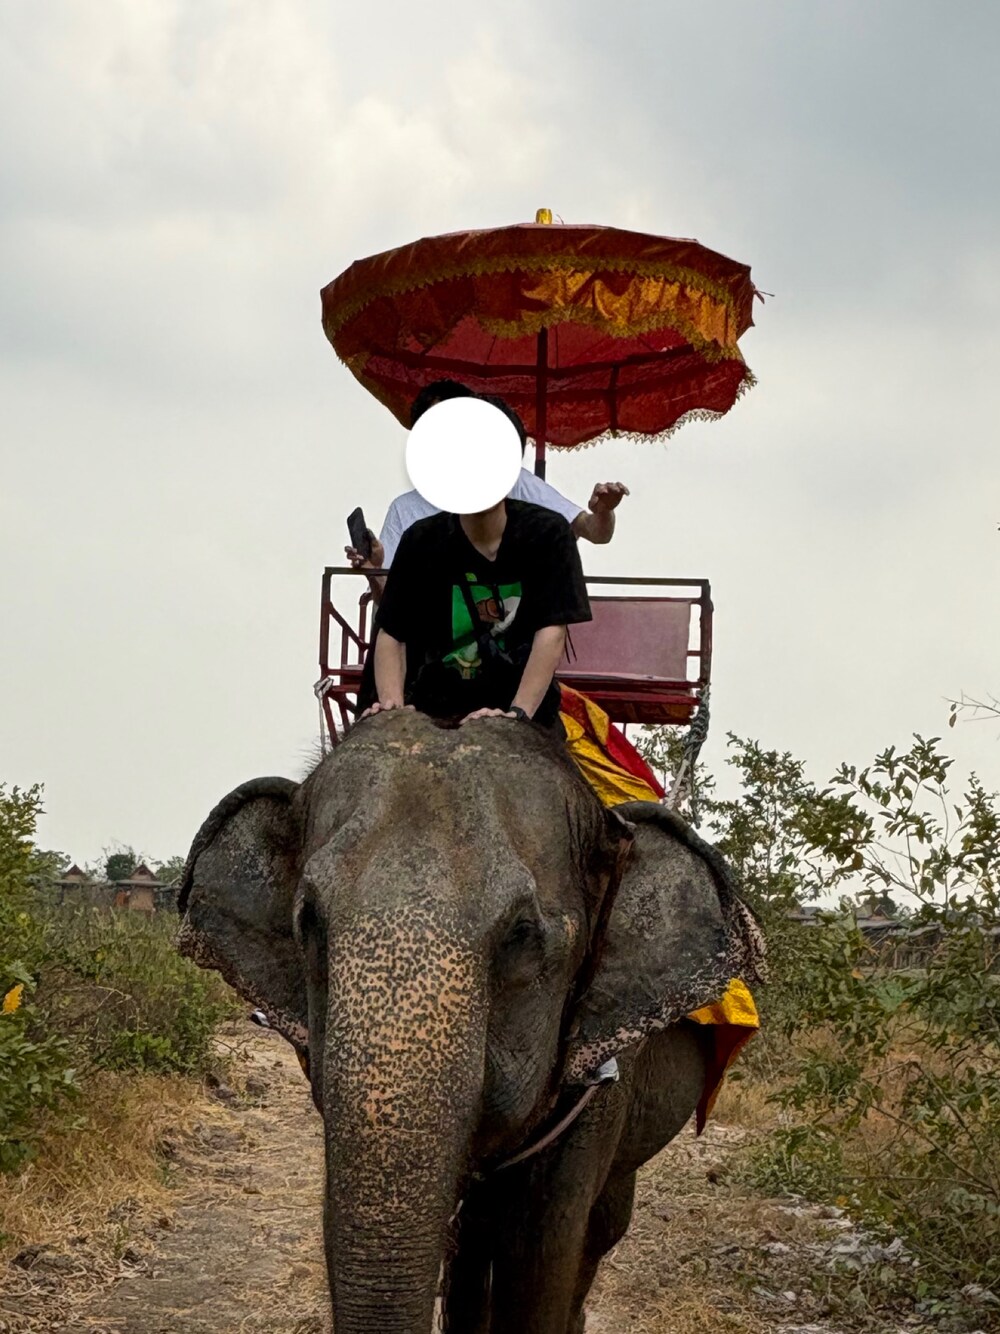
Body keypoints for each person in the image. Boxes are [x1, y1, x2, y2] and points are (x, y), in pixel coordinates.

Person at [345, 381, 629, 602]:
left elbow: (595, 532)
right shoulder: (406, 511)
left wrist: (604, 512)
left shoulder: (514, 481)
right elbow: (390, 606)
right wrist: (373, 570)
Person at [366, 487, 592, 731]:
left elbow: (552, 630)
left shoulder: (548, 532)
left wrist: (518, 714)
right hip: (433, 708)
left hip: (522, 709)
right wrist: (393, 712)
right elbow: (392, 631)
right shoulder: (420, 539)